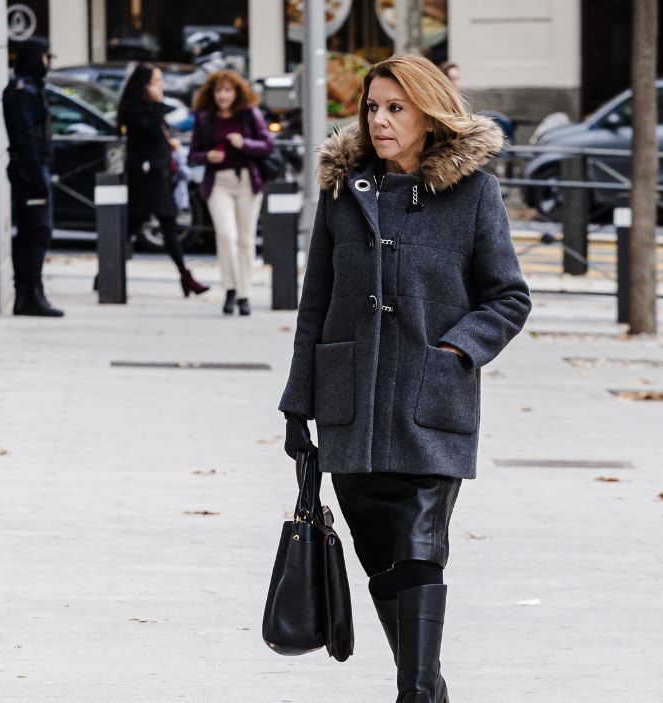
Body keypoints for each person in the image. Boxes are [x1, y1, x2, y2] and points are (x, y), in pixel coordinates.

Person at [278, 54, 531, 701]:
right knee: (383, 565)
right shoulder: (344, 192)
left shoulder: (472, 191)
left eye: (396, 107)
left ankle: (415, 693)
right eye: (372, 107)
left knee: (421, 553)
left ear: (428, 111)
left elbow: (508, 297)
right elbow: (315, 303)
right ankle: (427, 689)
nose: (381, 120)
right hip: (349, 414)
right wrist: (297, 407)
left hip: (430, 411)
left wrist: (454, 349)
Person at [117, 63, 209, 297]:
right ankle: (186, 278)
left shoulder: (149, 107)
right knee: (162, 224)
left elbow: (158, 133)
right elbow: (147, 132)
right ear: (144, 84)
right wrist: (157, 104)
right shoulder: (135, 108)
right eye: (156, 81)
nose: (161, 86)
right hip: (146, 176)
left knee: (134, 227)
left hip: (159, 173)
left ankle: (105, 273)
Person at [188, 70, 274, 316]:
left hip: (247, 182)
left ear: (236, 92)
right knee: (226, 236)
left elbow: (267, 144)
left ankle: (243, 294)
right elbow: (193, 155)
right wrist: (208, 156)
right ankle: (230, 289)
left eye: (227, 90)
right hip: (219, 183)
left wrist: (243, 143)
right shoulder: (204, 118)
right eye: (218, 91)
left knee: (245, 240)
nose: (223, 95)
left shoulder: (248, 114)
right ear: (211, 94)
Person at [1, 38, 63, 317]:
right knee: (37, 232)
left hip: (31, 171)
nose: (48, 63)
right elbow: (25, 138)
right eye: (46, 57)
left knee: (32, 233)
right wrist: (37, 176)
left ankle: (30, 294)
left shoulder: (29, 89)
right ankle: (29, 295)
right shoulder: (23, 91)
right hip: (29, 173)